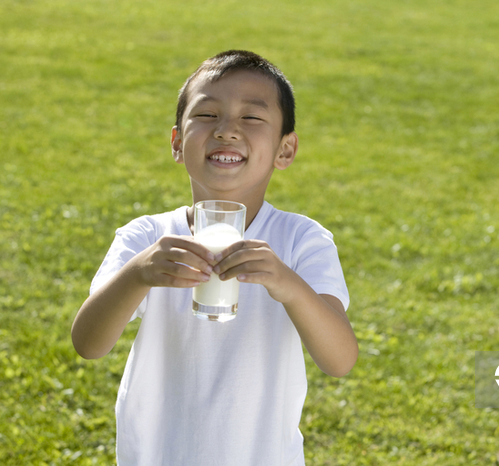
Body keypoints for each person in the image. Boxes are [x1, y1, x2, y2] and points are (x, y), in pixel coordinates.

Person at [71, 50, 359, 465]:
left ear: (285, 150)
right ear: (176, 142)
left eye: (252, 118)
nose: (226, 131)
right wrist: (137, 275)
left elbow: (340, 359)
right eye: (207, 115)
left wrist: (288, 285)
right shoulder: (150, 238)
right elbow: (88, 343)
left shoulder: (300, 240)